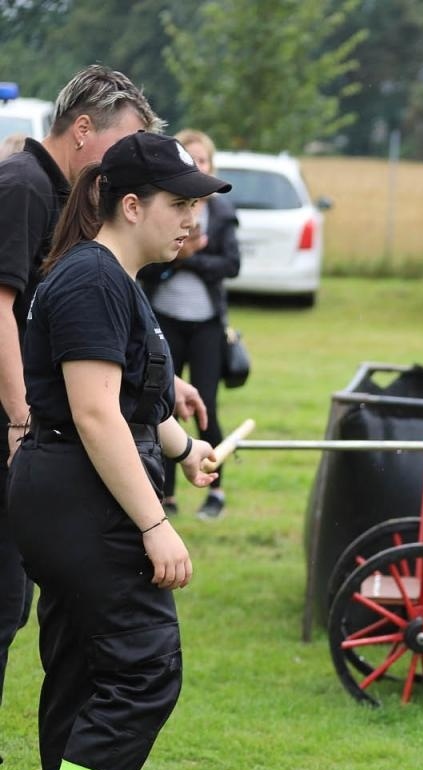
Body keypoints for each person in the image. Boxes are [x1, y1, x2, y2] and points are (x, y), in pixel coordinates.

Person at [0, 131, 224, 770]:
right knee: (143, 672)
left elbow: (131, 404)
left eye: (198, 206)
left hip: (64, 495)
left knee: (85, 671)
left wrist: (188, 450)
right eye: (180, 205)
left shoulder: (113, 279)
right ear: (131, 206)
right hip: (78, 499)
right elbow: (91, 413)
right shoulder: (94, 278)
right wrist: (156, 524)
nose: (192, 221)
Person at [0, 65, 167, 770]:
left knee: (50, 639)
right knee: (19, 616)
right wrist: (21, 422)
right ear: (83, 133)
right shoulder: (28, 188)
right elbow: (1, 311)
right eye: (126, 146)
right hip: (40, 451)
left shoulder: (76, 241)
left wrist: (164, 412)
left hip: (44, 455)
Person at [138, 129, 238, 521]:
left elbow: (231, 265)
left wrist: (190, 258)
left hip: (207, 324)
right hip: (166, 322)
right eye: (191, 160)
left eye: (204, 161)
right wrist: (179, 258)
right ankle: (166, 494)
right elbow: (150, 269)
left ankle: (216, 490)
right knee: (163, 404)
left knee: (205, 405)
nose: (199, 167)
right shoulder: (163, 208)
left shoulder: (223, 213)